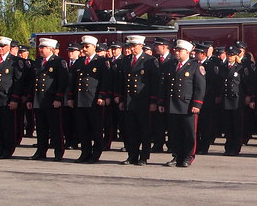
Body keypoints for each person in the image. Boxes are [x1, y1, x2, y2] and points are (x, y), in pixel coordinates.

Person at [159, 39, 206, 168]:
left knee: (189, 133)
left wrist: (197, 104)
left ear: (187, 52)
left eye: (180, 50)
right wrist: (162, 102)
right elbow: (165, 85)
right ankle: (176, 155)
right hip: (173, 104)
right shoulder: (171, 65)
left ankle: (188, 156)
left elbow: (200, 87)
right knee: (175, 132)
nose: (177, 52)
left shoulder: (195, 66)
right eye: (176, 50)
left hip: (187, 105)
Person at [67, 36, 110, 164]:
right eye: (83, 47)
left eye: (87, 47)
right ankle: (85, 152)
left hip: (94, 100)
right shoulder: (79, 62)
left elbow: (105, 81)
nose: (84, 49)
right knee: (82, 128)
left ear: (94, 47)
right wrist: (70, 97)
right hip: (80, 100)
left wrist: (102, 96)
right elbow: (72, 81)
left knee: (95, 128)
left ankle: (96, 153)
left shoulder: (101, 62)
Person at [116, 35, 158, 165]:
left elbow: (154, 83)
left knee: (144, 130)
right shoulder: (125, 60)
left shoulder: (150, 61)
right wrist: (122, 100)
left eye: (134, 46)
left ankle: (144, 157)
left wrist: (153, 101)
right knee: (130, 131)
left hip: (143, 101)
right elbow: (123, 82)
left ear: (141, 46)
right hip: (129, 101)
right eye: (130, 46)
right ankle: (132, 155)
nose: (132, 49)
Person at [0, 36, 25, 159]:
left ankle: (8, 149)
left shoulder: (14, 61)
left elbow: (18, 82)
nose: (0, 48)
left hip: (6, 99)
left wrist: (14, 99)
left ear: (8, 47)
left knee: (8, 127)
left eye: (3, 46)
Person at [29, 38, 68, 161]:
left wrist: (58, 98)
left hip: (51, 100)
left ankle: (58, 151)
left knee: (55, 128)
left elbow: (62, 82)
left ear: (50, 49)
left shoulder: (58, 62)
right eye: (40, 47)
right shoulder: (38, 62)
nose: (40, 50)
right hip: (39, 100)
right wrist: (31, 99)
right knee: (41, 129)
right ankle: (41, 151)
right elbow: (33, 82)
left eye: (43, 47)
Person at [219, 46, 248, 156]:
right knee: (227, 125)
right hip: (226, 99)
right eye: (228, 55)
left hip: (236, 100)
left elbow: (246, 84)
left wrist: (248, 96)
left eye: (232, 55)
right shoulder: (223, 67)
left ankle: (236, 147)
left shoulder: (240, 68)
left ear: (236, 56)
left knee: (236, 125)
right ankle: (228, 146)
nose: (229, 57)